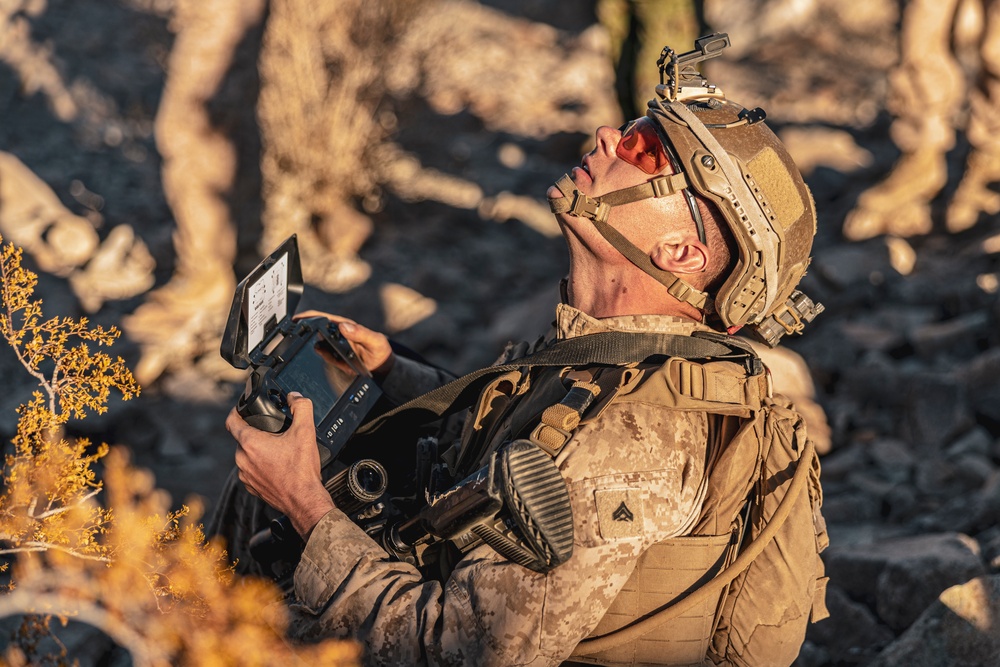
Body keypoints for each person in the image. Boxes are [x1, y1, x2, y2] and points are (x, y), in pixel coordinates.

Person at [212, 36, 825, 666]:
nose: (609, 133)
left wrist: (309, 511)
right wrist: (395, 375)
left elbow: (466, 651)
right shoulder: (616, 358)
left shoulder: (632, 438)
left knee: (265, 551)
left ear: (680, 254)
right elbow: (513, 449)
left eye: (645, 149)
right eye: (636, 126)